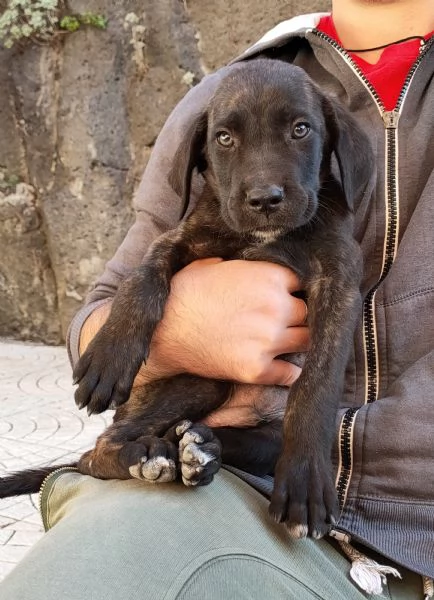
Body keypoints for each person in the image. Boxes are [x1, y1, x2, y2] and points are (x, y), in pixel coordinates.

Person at [2, 0, 433, 598]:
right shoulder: (219, 94)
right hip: (243, 490)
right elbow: (118, 297)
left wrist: (307, 443)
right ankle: (116, 453)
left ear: (333, 145)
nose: (264, 183)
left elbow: (338, 300)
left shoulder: (327, 216)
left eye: (298, 132)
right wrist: (175, 329)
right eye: (228, 139)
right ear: (202, 156)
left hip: (379, 507)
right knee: (95, 570)